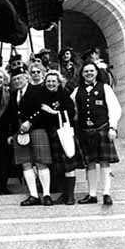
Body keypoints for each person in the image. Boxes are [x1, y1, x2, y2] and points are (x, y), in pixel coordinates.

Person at [71, 62, 122, 205]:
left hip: (103, 129)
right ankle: (92, 194)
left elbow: (115, 108)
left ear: (96, 72)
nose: (89, 73)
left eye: (91, 71)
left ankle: (106, 193)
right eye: (86, 71)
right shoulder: (77, 91)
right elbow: (70, 108)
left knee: (104, 162)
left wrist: (113, 128)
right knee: (90, 163)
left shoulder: (105, 88)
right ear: (82, 74)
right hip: (85, 132)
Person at [7, 67, 53, 206]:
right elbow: (12, 116)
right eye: (14, 79)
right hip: (20, 133)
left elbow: (43, 110)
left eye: (19, 78)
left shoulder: (38, 90)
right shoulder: (13, 94)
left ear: (26, 78)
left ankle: (46, 194)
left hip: (37, 129)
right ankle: (33, 195)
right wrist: (11, 133)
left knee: (41, 162)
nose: (17, 81)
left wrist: (31, 121)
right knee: (25, 163)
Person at [40, 71, 82, 205]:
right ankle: (64, 194)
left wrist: (53, 112)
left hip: (64, 134)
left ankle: (70, 196)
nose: (51, 84)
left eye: (53, 81)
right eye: (48, 81)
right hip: (50, 134)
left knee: (69, 165)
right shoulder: (42, 96)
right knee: (58, 166)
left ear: (59, 82)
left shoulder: (64, 95)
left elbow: (71, 112)